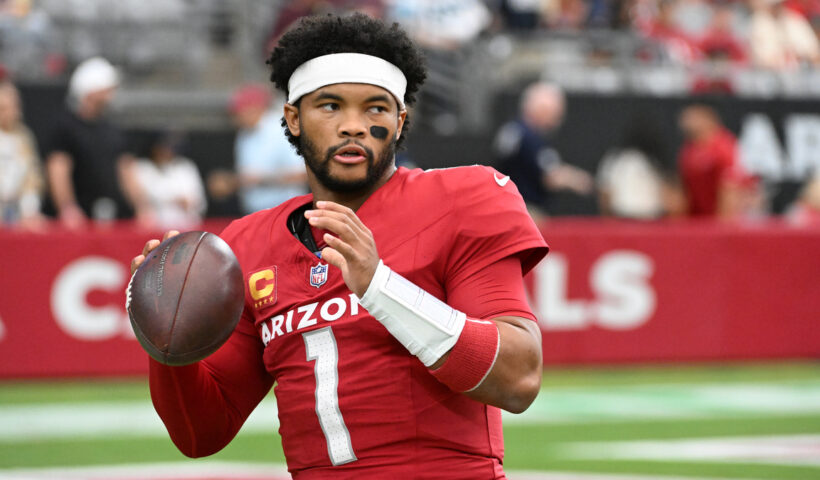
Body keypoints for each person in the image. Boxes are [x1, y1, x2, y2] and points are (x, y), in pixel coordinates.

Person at [130, 13, 548, 479]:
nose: (353, 125)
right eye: (330, 106)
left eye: (375, 108)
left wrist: (380, 287)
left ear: (399, 119)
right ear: (292, 117)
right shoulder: (248, 243)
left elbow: (518, 379)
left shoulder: (463, 200)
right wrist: (167, 339)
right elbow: (201, 433)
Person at [45, 57, 132, 228]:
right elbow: (58, 168)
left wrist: (142, 208)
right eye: (107, 89)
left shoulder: (111, 128)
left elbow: (125, 169)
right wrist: (67, 208)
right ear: (92, 91)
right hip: (78, 222)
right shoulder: (66, 127)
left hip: (113, 219)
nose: (111, 93)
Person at [493, 81, 592, 220]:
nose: (558, 120)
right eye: (555, 113)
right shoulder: (529, 137)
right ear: (541, 109)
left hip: (508, 207)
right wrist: (578, 180)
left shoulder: (513, 130)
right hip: (524, 210)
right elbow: (551, 176)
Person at [230, 83, 307, 214]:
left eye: (241, 111)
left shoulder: (281, 129)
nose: (236, 118)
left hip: (285, 211)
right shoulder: (243, 135)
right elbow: (247, 177)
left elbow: (302, 175)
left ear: (256, 108)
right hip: (254, 212)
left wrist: (262, 180)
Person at [677, 104, 761, 218]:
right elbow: (686, 190)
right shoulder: (689, 150)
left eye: (694, 117)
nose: (687, 121)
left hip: (724, 218)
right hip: (701, 218)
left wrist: (722, 225)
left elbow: (730, 188)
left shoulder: (723, 146)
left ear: (708, 120)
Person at [126, 131, 207, 230]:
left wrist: (188, 202)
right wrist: (173, 199)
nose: (166, 151)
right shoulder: (142, 168)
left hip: (186, 228)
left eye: (169, 147)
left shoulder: (186, 167)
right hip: (153, 229)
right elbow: (143, 199)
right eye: (162, 147)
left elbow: (199, 202)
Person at [0, 80, 44, 228]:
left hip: (17, 213)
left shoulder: (23, 137)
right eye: (4, 108)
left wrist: (29, 209)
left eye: (15, 106)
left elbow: (32, 177)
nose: (12, 113)